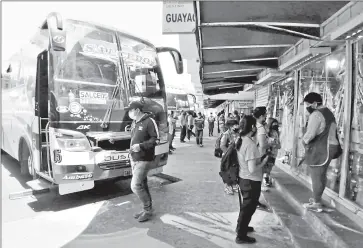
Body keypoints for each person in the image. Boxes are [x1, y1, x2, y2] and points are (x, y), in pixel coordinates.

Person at [235, 115, 269, 244]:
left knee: (246, 207)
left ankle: (241, 227)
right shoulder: (250, 144)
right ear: (252, 127)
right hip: (251, 180)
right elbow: (252, 169)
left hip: (244, 179)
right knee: (248, 208)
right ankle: (241, 235)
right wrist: (264, 161)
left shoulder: (241, 139)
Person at [122, 100, 158, 222]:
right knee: (142, 184)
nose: (129, 113)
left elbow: (155, 140)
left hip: (144, 158)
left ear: (137, 110)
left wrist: (141, 146)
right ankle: (147, 209)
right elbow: (134, 138)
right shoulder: (134, 122)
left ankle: (148, 210)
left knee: (135, 186)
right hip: (135, 158)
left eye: (130, 111)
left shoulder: (149, 121)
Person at [302, 92, 339, 211]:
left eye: (308, 104)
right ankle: (318, 198)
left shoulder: (316, 114)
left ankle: (317, 202)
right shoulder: (328, 112)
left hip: (322, 148)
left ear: (314, 103)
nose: (307, 107)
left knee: (316, 175)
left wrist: (304, 141)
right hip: (331, 147)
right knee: (321, 175)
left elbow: (310, 134)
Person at [252, 106, 269, 208]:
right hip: (259, 155)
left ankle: (252, 200)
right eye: (265, 114)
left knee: (252, 179)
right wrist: (270, 142)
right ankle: (255, 201)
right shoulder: (260, 128)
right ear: (262, 116)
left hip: (251, 154)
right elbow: (263, 145)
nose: (266, 116)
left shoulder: (252, 125)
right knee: (257, 180)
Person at [220, 119, 240, 195]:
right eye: (235, 125)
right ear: (231, 126)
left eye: (237, 125)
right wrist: (228, 154)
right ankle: (228, 187)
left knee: (234, 171)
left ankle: (234, 185)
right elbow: (222, 146)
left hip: (236, 156)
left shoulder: (237, 133)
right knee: (227, 172)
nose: (237, 126)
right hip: (228, 157)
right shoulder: (226, 134)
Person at [264, 117, 281, 187]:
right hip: (267, 152)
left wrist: (277, 145)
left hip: (273, 152)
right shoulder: (266, 132)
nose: (275, 125)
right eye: (274, 124)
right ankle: (266, 178)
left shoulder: (276, 133)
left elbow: (278, 144)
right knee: (267, 166)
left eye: (276, 124)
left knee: (269, 166)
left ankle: (266, 178)